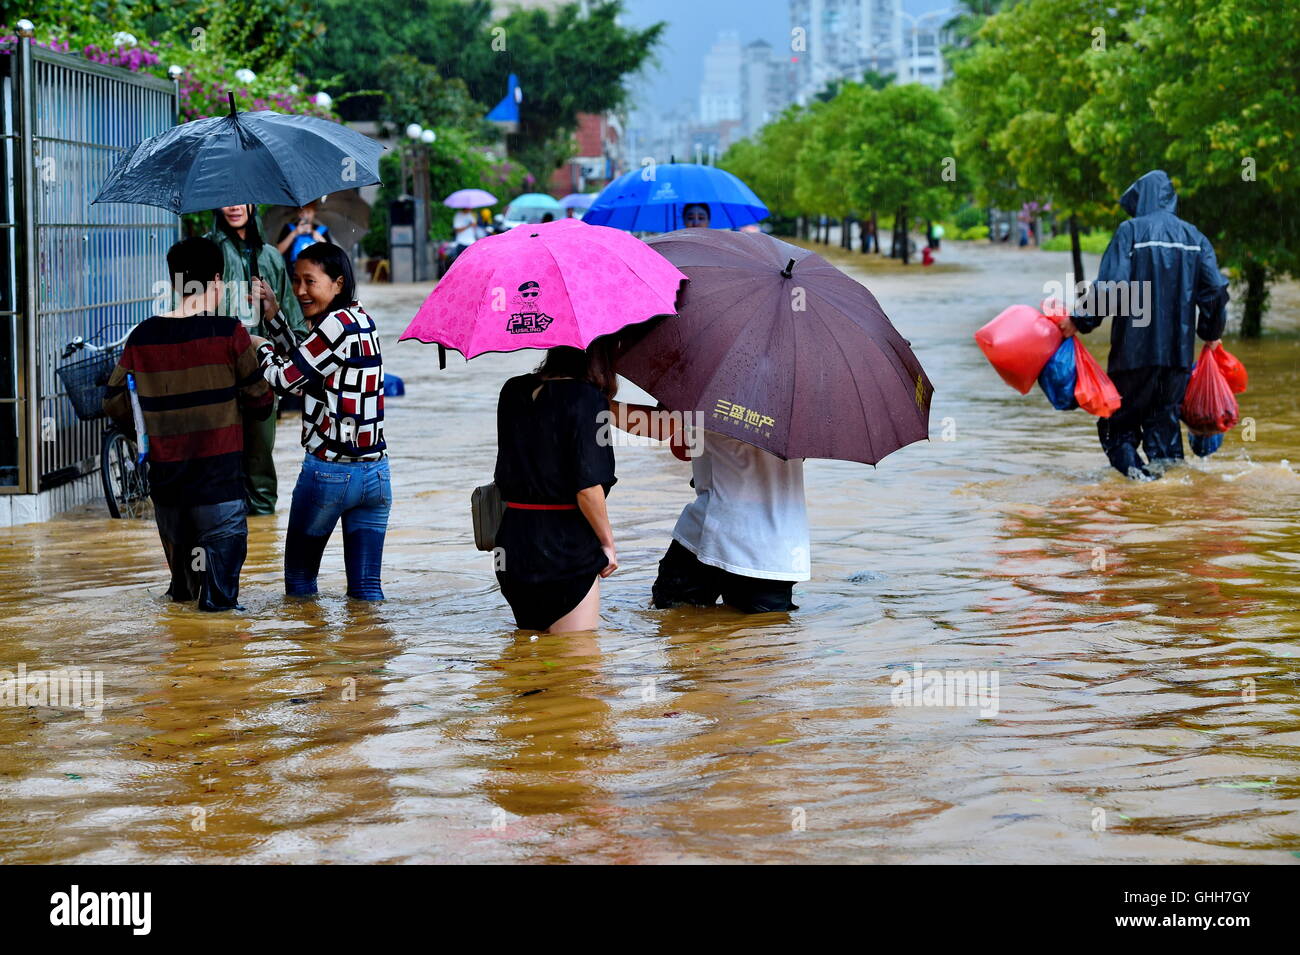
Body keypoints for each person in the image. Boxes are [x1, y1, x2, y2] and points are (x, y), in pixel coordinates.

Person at [103, 237, 273, 611]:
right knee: (219, 608)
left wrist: (156, 431)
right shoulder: (229, 333)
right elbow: (261, 402)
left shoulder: (143, 336)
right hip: (219, 488)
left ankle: (184, 666)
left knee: (182, 597)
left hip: (168, 489)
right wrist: (255, 351)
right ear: (217, 280)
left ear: (176, 281)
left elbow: (114, 403)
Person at [1058, 170, 1229, 480]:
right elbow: (1215, 290)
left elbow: (1110, 288)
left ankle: (1139, 488)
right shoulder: (1194, 238)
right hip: (1177, 360)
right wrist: (1211, 333)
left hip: (1133, 356)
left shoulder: (1130, 232)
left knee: (1117, 427)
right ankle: (1168, 503)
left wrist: (1078, 320)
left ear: (1140, 201)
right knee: (1164, 430)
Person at [251, 243, 391, 601]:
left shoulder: (334, 326)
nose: (300, 291)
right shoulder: (361, 320)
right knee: (366, 591)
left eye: (310, 282)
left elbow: (286, 378)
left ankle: (308, 655)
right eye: (296, 281)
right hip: (375, 475)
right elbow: (311, 359)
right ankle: (369, 652)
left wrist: (259, 346)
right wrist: (275, 317)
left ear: (338, 283)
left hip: (330, 474)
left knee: (299, 583)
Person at [610, 404, 809, 613]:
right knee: (764, 636)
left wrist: (598, 402)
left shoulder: (714, 380)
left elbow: (663, 427)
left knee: (676, 621)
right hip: (776, 549)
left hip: (716, 530)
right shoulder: (804, 396)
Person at [493, 343, 618, 633]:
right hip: (566, 547)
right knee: (578, 668)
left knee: (528, 662)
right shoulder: (587, 399)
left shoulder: (512, 390)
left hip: (513, 543)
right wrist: (608, 544)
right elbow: (587, 487)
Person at [206, 204, 310, 516]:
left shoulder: (270, 258)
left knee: (260, 462)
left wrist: (270, 311)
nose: (234, 206)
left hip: (261, 377)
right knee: (218, 464)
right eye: (227, 198)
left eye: (242, 198)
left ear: (254, 205)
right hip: (215, 377)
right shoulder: (207, 253)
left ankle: (262, 550)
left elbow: (295, 325)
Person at [275, 199, 331, 266]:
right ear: (297, 213)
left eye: (308, 212)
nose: (305, 215)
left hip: (317, 268)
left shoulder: (321, 230)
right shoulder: (289, 228)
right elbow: (277, 252)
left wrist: (319, 238)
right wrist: (294, 233)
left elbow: (331, 253)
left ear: (314, 212)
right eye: (301, 212)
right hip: (292, 270)